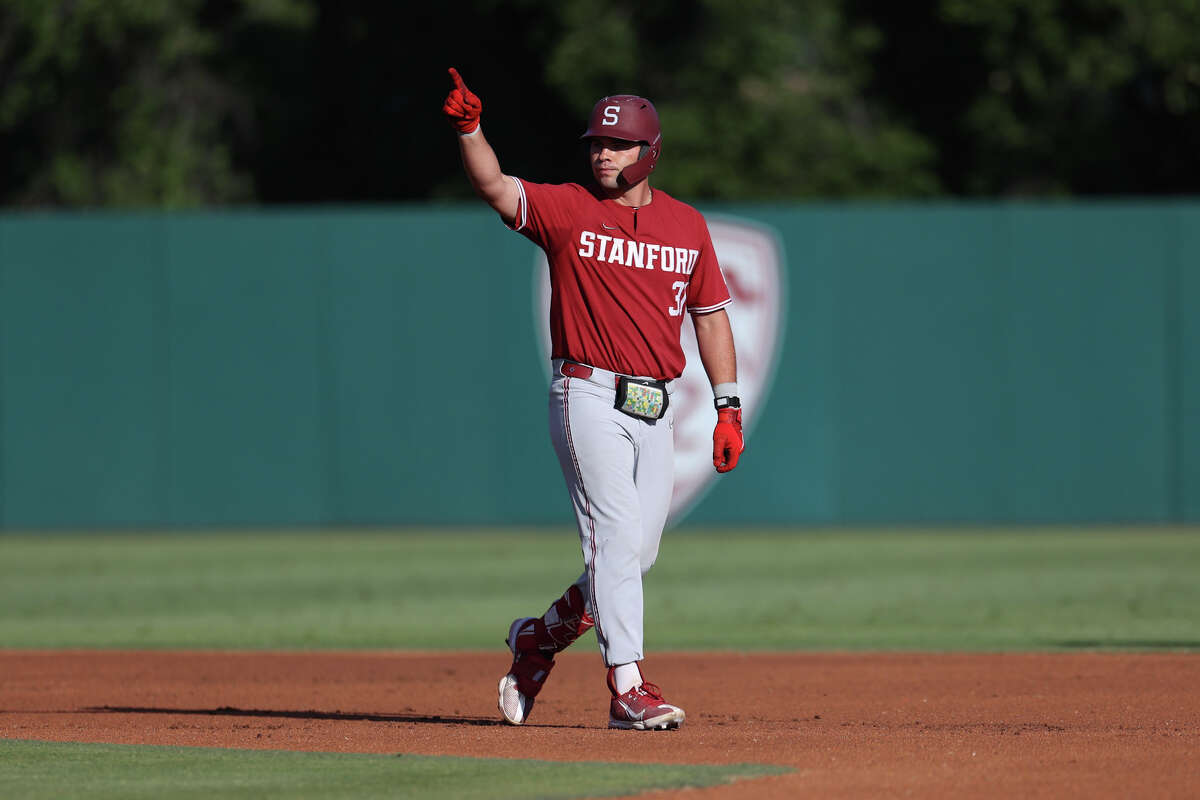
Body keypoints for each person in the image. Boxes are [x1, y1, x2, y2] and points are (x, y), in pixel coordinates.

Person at [443, 68, 744, 731]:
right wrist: (472, 130)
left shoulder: (687, 226)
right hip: (586, 393)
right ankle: (628, 688)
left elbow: (713, 317)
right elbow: (495, 186)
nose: (602, 153)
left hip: (655, 406)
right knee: (612, 537)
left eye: (618, 144)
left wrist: (728, 406)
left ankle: (539, 640)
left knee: (636, 556)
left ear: (649, 153)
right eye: (596, 143)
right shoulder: (569, 209)